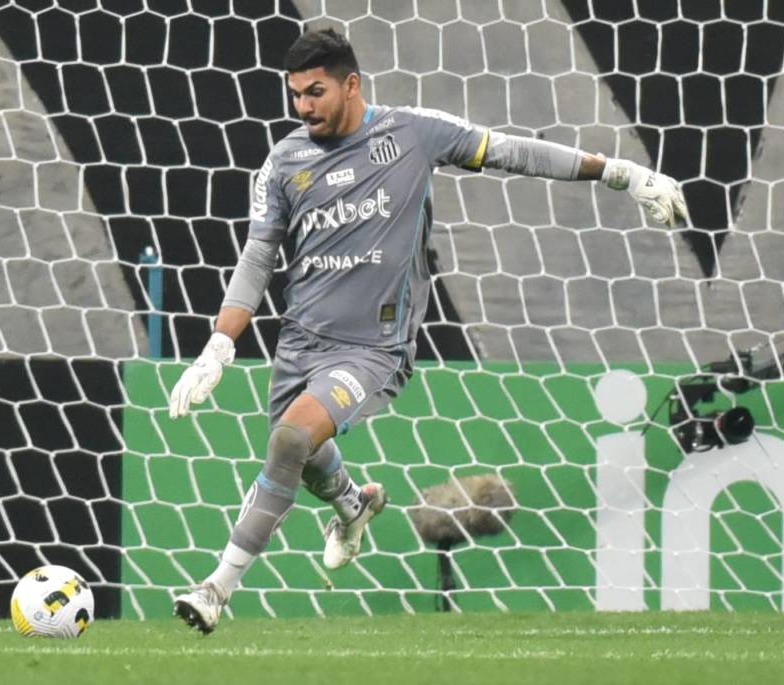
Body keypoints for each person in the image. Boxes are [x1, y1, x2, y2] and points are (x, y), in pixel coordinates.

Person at [167, 28, 687, 634]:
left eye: (315, 92)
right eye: (296, 95)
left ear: (351, 85)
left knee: (288, 441)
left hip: (372, 348)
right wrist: (219, 346)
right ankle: (353, 504)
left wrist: (619, 172)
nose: (303, 107)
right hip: (300, 341)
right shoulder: (284, 161)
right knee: (301, 453)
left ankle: (216, 589)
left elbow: (514, 152)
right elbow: (258, 257)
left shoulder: (411, 134)